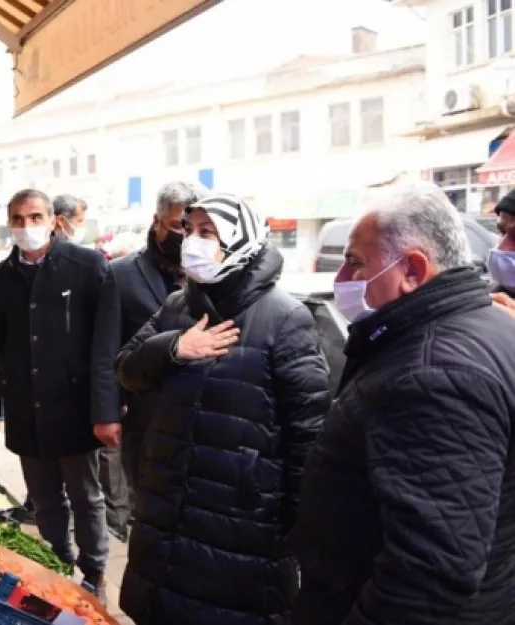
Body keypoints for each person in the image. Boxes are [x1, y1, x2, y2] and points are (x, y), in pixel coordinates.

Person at [292, 183, 515, 625]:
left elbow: (429, 573)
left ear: (413, 268)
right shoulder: (484, 324)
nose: (342, 280)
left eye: (355, 263)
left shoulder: (433, 375)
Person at [115, 193, 329, 625]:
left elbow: (307, 434)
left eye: (207, 232)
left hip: (241, 520)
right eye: (188, 231)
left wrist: (293, 525)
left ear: (239, 240)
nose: (191, 241)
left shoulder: (284, 318)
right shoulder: (178, 306)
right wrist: (174, 347)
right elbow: (127, 370)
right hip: (167, 501)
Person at [0, 189, 114, 594]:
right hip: (26, 405)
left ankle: (94, 568)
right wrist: (2, 377)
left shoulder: (87, 266)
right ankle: (58, 558)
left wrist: (104, 403)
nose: (27, 227)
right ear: (9, 223)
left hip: (74, 405)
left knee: (86, 495)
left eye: (35, 217)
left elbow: (105, 338)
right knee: (44, 498)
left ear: (53, 220)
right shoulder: (1, 274)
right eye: (19, 219)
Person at [92, 181, 204, 544]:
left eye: (192, 228)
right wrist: (106, 412)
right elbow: (106, 347)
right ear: (157, 221)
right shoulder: (122, 274)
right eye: (176, 227)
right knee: (150, 508)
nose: (185, 236)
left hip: (202, 416)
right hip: (146, 414)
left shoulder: (209, 267)